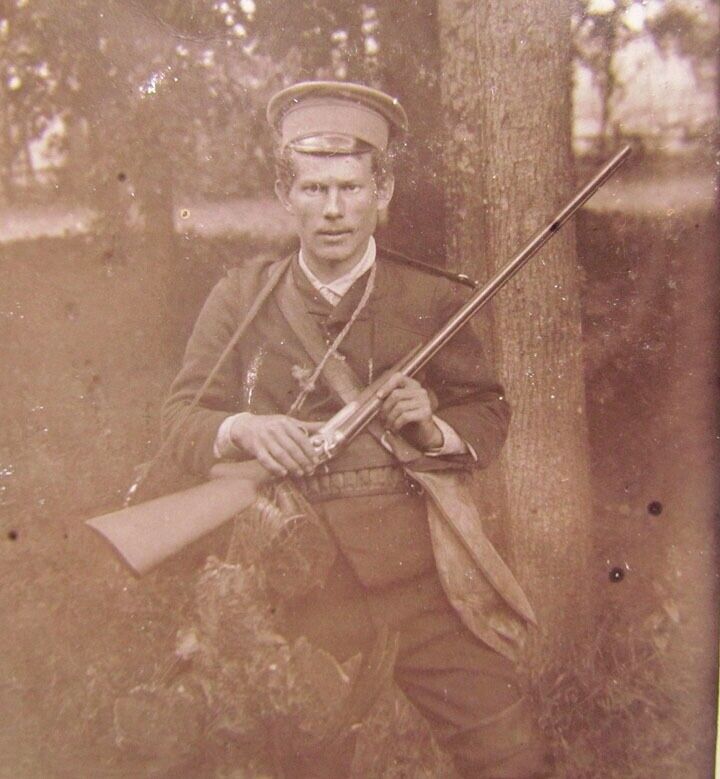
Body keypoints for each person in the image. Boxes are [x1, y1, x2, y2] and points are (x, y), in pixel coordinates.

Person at [161, 81, 551, 778]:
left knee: (510, 754)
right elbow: (180, 419)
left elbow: (487, 410)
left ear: (383, 191)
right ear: (287, 195)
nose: (333, 210)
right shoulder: (242, 297)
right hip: (299, 578)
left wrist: (432, 431)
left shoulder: (435, 297)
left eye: (350, 187)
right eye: (313, 189)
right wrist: (245, 427)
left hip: (424, 574)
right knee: (303, 758)